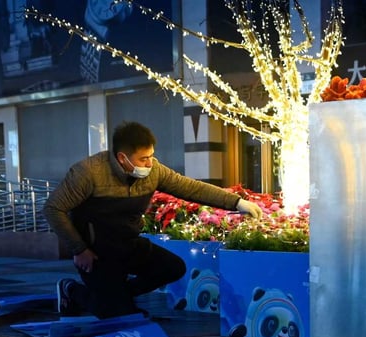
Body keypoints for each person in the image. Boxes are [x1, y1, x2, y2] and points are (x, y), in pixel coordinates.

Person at [45, 121, 261, 319]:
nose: (149, 164)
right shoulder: (88, 173)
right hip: (95, 253)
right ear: (122, 158)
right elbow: (53, 208)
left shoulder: (153, 170)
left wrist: (237, 202)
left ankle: (117, 297)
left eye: (151, 156)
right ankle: (71, 290)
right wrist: (79, 249)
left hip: (128, 244)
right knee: (116, 316)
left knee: (174, 267)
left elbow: (190, 187)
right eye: (143, 159)